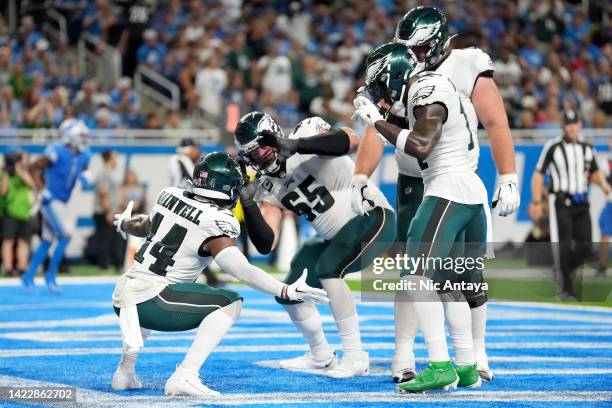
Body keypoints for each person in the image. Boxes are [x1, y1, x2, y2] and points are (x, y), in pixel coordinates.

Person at [352, 6, 519, 383]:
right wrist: (362, 174)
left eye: (420, 48)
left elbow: (491, 122)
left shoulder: (453, 70)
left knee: (447, 274)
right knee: (425, 274)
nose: (415, 55)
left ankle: (465, 357)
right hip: (425, 182)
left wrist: (508, 175)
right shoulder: (411, 77)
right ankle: (416, 355)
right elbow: (387, 130)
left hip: (447, 182)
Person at [110, 151, 328, 396]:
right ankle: (186, 374)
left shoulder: (169, 195)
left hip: (124, 294)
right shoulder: (216, 220)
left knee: (151, 291)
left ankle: (125, 372)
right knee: (229, 302)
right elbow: (241, 270)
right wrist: (284, 289)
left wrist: (124, 224)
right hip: (153, 302)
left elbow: (146, 225)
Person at [235, 112, 397, 378]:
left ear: (274, 134)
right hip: (333, 238)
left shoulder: (305, 135)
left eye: (263, 144)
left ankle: (355, 355)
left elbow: (350, 140)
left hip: (371, 217)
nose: (262, 154)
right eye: (253, 152)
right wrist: (249, 204)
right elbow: (267, 243)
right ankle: (320, 354)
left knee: (328, 267)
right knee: (288, 290)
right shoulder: (267, 185)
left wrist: (297, 146)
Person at [529, 109, 611, 299]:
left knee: (586, 245)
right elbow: (538, 174)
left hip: (582, 202)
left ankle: (562, 274)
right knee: (564, 245)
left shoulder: (587, 147)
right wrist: (535, 201)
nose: (571, 127)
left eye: (574, 123)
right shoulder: (553, 146)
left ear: (580, 124)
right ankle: (566, 288)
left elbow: (595, 173)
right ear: (562, 126)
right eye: (567, 124)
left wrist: (605, 186)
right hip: (561, 202)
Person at [22, 118, 92, 292]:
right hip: (49, 199)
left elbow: (83, 171)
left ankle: (29, 276)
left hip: (64, 202)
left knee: (47, 241)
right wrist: (40, 189)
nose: (84, 139)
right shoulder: (56, 151)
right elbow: (33, 167)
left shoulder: (84, 155)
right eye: (81, 136)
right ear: (71, 136)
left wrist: (84, 179)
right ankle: (50, 275)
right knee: (65, 236)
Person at [167, 137, 221, 287]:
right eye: (194, 148)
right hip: (182, 207)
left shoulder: (177, 159)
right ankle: (209, 278)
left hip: (179, 205)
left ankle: (210, 278)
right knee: (189, 243)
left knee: (188, 243)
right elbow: (195, 179)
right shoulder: (180, 159)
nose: (197, 151)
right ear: (189, 149)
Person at [1, 150, 36, 277]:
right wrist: (6, 172)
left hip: (24, 212)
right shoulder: (5, 174)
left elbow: (33, 185)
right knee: (8, 240)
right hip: (9, 212)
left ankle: (22, 267)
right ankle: (8, 267)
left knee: (24, 240)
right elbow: (3, 192)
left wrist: (19, 171)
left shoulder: (24, 173)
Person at [94, 150, 123, 274]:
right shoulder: (104, 174)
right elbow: (104, 193)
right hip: (105, 212)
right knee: (105, 240)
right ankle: (104, 266)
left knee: (114, 240)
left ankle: (116, 264)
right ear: (109, 159)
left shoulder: (112, 173)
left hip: (113, 211)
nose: (116, 160)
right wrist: (109, 211)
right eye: (114, 157)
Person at [597, 158, 612, 277]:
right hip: (610, 204)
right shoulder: (606, 163)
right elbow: (595, 178)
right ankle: (602, 266)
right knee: (604, 235)